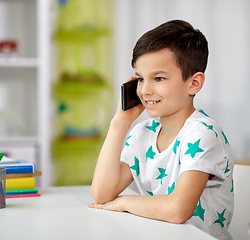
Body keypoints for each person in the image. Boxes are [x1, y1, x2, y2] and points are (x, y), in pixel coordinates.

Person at [89, 19, 234, 240]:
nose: (145, 90)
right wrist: (120, 122)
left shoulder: (202, 133)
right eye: (139, 79)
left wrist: (125, 202)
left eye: (158, 78)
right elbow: (101, 194)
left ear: (194, 83)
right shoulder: (142, 133)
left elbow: (177, 210)